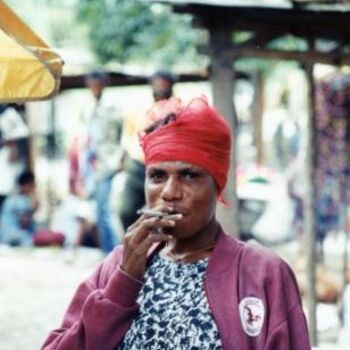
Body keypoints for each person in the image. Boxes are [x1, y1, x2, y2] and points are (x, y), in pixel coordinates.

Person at [41, 96, 311, 350]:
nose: (170, 192)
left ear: (217, 184)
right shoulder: (120, 265)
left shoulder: (262, 273)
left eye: (190, 176)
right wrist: (123, 283)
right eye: (157, 176)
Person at [117, 70, 176, 231]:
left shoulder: (178, 108)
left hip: (165, 167)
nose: (161, 88)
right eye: (157, 84)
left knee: (162, 212)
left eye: (164, 84)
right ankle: (134, 246)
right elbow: (127, 137)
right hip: (137, 164)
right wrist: (123, 160)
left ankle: (158, 249)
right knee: (126, 211)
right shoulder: (139, 107)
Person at [79, 70, 124, 253]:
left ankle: (113, 252)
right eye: (91, 83)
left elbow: (119, 137)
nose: (94, 87)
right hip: (93, 165)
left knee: (105, 211)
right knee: (98, 211)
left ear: (103, 84)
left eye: (97, 83)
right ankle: (108, 252)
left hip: (108, 163)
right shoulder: (88, 107)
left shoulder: (112, 106)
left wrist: (119, 159)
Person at [0, 170, 38, 246]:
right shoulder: (20, 201)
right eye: (32, 184)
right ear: (27, 185)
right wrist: (34, 209)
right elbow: (23, 222)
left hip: (6, 236)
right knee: (31, 240)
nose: (34, 187)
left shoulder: (12, 198)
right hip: (12, 237)